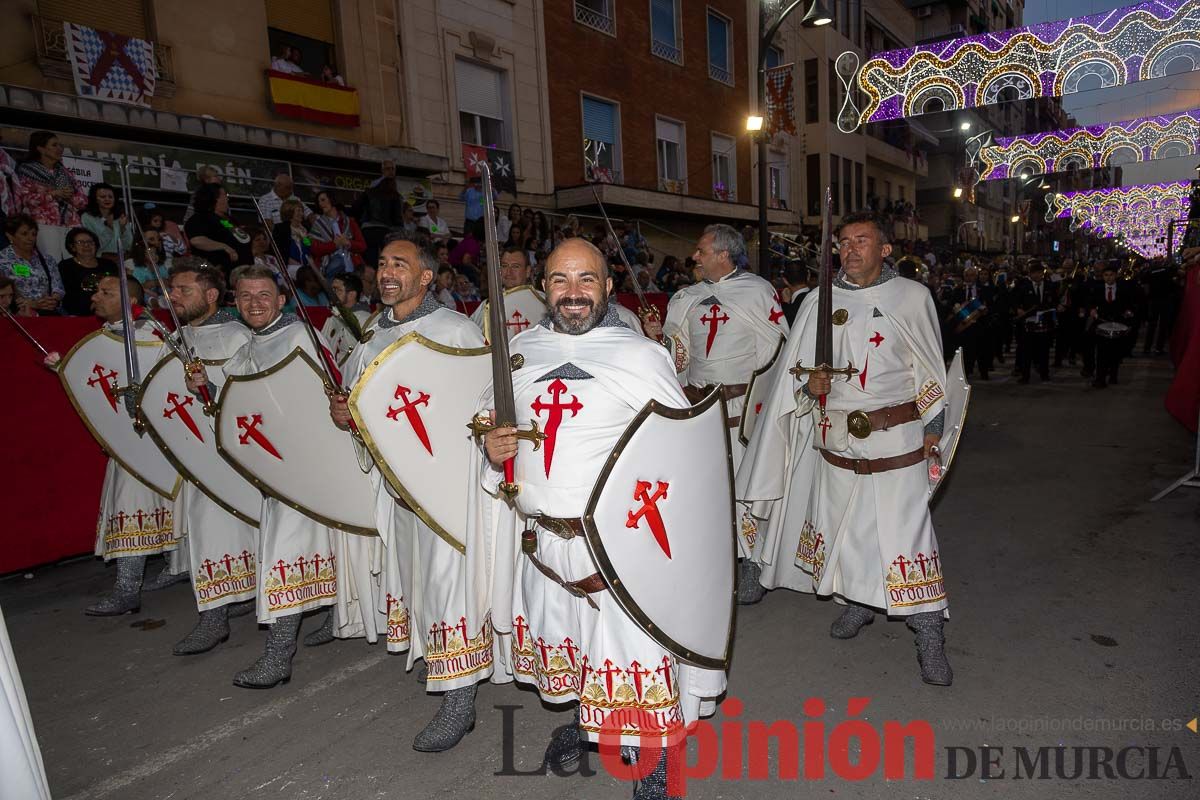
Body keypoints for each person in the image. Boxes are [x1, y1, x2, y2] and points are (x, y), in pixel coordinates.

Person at [471, 239, 725, 796]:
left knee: (635, 656)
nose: (573, 293)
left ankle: (655, 765)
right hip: (543, 541)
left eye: (586, 279)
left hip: (619, 543)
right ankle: (590, 727)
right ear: (544, 288)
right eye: (560, 280)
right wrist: (491, 449)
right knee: (580, 649)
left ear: (609, 287)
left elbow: (683, 451)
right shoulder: (520, 351)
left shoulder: (641, 356)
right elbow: (488, 429)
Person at [736, 210, 954, 686]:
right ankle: (858, 603)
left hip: (897, 438)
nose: (850, 250)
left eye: (862, 240)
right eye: (844, 242)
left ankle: (929, 633)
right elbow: (795, 380)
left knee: (906, 537)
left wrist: (935, 429)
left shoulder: (911, 298)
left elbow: (931, 373)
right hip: (834, 439)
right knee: (845, 530)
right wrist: (810, 386)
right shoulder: (818, 301)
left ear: (885, 249)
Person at [329, 233, 492, 751]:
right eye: (381, 262)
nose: (386, 271)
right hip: (399, 490)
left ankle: (459, 702)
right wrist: (345, 416)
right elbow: (362, 410)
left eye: (400, 263)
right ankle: (446, 676)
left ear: (426, 277)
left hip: (447, 486)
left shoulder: (456, 330)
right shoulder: (372, 335)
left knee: (450, 589)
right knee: (422, 586)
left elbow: (483, 402)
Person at [185, 264, 339, 688]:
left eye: (264, 295)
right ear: (234, 301)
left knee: (285, 554)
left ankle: (279, 655)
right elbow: (237, 403)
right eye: (246, 296)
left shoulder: (300, 337)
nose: (255, 303)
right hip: (271, 467)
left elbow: (334, 395)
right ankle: (330, 617)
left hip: (306, 467)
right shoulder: (251, 343)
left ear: (281, 300)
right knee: (304, 551)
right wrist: (207, 390)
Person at [642, 223, 788, 601]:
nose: (695, 256)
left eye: (702, 251)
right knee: (708, 490)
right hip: (702, 409)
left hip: (743, 407)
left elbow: (776, 351)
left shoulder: (757, 292)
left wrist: (763, 404)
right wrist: (660, 337)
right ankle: (717, 562)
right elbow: (679, 359)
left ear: (724, 255)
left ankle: (753, 564)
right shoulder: (686, 297)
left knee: (744, 487)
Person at [164, 259, 258, 654]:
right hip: (190, 450)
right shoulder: (174, 337)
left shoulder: (237, 336)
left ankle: (214, 617)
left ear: (211, 294)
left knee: (219, 529)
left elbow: (253, 395)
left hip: (229, 453)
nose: (174, 297)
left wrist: (213, 392)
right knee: (211, 532)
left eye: (183, 290)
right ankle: (234, 598)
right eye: (173, 290)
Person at [84, 275, 179, 616]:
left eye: (106, 292)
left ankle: (128, 589)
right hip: (123, 438)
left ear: (130, 300)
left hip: (149, 438)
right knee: (148, 503)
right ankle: (172, 566)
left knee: (134, 504)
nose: (96, 296)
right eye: (98, 291)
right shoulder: (103, 340)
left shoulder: (150, 335)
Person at [14, 130, 87, 261]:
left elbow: (83, 201)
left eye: (60, 145)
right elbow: (25, 200)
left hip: (70, 224)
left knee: (75, 262)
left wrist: (69, 197)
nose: (59, 148)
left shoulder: (66, 173)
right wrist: (53, 194)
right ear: (41, 149)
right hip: (44, 225)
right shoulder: (26, 171)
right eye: (54, 145)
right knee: (52, 261)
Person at [469, 246, 546, 340]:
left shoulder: (544, 301)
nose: (508, 272)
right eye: (504, 266)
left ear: (528, 271)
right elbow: (471, 338)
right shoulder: (488, 305)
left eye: (515, 266)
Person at [0, 214, 63, 315]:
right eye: (24, 234)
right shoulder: (2, 260)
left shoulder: (47, 259)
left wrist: (53, 300)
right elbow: (3, 293)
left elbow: (58, 287)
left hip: (49, 312)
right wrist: (32, 304)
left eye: (33, 234)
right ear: (10, 236)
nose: (30, 238)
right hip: (19, 314)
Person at [1087, 263, 1136, 389]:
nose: (1109, 278)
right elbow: (1091, 303)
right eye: (1106, 275)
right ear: (1103, 276)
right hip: (1101, 323)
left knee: (1115, 352)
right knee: (1100, 351)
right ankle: (1100, 378)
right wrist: (1092, 310)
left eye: (1111, 275)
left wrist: (1128, 312)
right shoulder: (1097, 288)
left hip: (1118, 324)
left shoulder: (1124, 289)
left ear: (1116, 276)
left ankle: (1113, 375)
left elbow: (1130, 305)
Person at [184, 184, 250, 275]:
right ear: (214, 198)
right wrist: (224, 247)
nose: (227, 199)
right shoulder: (200, 218)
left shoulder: (226, 220)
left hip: (242, 271)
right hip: (217, 272)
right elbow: (197, 240)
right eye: (225, 196)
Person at [57, 227, 118, 316]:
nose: (86, 245)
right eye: (80, 242)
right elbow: (70, 296)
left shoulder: (109, 265)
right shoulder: (65, 266)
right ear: (72, 247)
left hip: (109, 310)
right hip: (78, 314)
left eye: (90, 242)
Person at [352, 164, 405, 266]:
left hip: (367, 230)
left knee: (369, 261)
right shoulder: (394, 195)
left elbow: (355, 208)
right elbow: (398, 219)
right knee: (386, 261)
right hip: (385, 231)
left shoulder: (369, 192)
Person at [1013, 265, 1058, 384]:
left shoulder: (1050, 286)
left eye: (1039, 272)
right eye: (1034, 273)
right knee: (1026, 352)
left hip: (1045, 324)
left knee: (1044, 351)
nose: (1036, 275)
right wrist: (1018, 309)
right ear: (1030, 274)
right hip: (1028, 324)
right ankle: (1025, 376)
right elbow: (1016, 302)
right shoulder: (1023, 287)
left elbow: (1054, 301)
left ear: (1042, 273)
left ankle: (1044, 374)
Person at [310, 190, 366, 277]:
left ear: (331, 199)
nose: (321, 204)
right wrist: (334, 245)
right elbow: (314, 249)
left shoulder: (349, 222)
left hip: (352, 268)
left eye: (323, 200)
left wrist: (348, 243)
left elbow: (362, 246)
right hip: (330, 268)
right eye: (319, 202)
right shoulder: (317, 225)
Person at [321, 272, 371, 364]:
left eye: (337, 290)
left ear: (351, 295)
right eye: (332, 289)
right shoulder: (334, 317)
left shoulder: (364, 319)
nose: (332, 293)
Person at [81, 183, 134, 261]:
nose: (107, 199)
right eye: (103, 197)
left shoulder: (120, 217)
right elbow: (95, 245)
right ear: (95, 199)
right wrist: (109, 227)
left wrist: (122, 228)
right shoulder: (88, 217)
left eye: (110, 197)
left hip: (121, 259)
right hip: (99, 259)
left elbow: (129, 245)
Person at [272, 198, 314, 279]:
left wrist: (305, 237)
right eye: (298, 211)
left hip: (305, 266)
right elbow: (281, 251)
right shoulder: (281, 228)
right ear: (289, 212)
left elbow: (308, 246)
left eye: (302, 211)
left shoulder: (304, 228)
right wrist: (301, 267)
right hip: (289, 266)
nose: (302, 213)